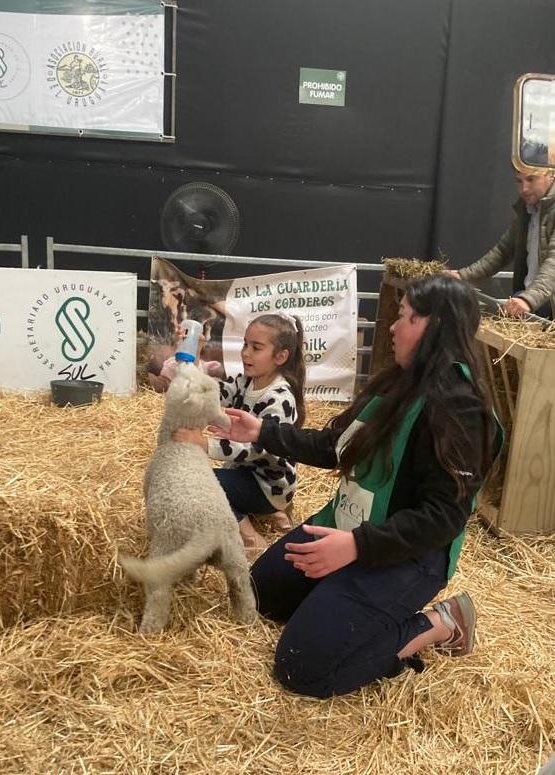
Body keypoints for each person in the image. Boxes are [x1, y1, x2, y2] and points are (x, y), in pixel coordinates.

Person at [210, 275, 502, 699]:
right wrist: (262, 431)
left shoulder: (458, 408)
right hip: (348, 527)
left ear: (436, 326)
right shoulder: (397, 383)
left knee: (302, 669)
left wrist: (357, 547)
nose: (393, 327)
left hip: (405, 554)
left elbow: (443, 518)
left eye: (406, 317)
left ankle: (440, 623)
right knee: (260, 596)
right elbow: (335, 445)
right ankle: (343, 603)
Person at [174, 313, 306, 560]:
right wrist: (194, 355)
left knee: (199, 483)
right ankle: (272, 514)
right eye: (245, 344)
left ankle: (251, 538)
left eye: (256, 348)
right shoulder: (245, 381)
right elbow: (210, 393)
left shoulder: (279, 398)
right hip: (249, 474)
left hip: (269, 484)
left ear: (280, 357)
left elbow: (256, 448)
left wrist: (205, 444)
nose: (245, 353)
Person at [448, 168, 555, 319]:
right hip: (534, 300)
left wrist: (528, 299)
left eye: (531, 179)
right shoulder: (528, 210)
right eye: (519, 181)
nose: (524, 189)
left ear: (551, 175)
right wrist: (463, 276)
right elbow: (502, 251)